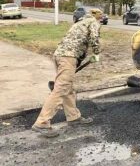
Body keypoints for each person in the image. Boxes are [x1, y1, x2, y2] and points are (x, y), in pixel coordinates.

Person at [32, 8, 103, 138]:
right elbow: (94, 37)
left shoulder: (78, 24)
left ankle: (73, 117)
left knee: (68, 88)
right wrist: (97, 53)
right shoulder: (92, 21)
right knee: (61, 89)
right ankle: (42, 122)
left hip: (59, 56)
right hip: (68, 58)